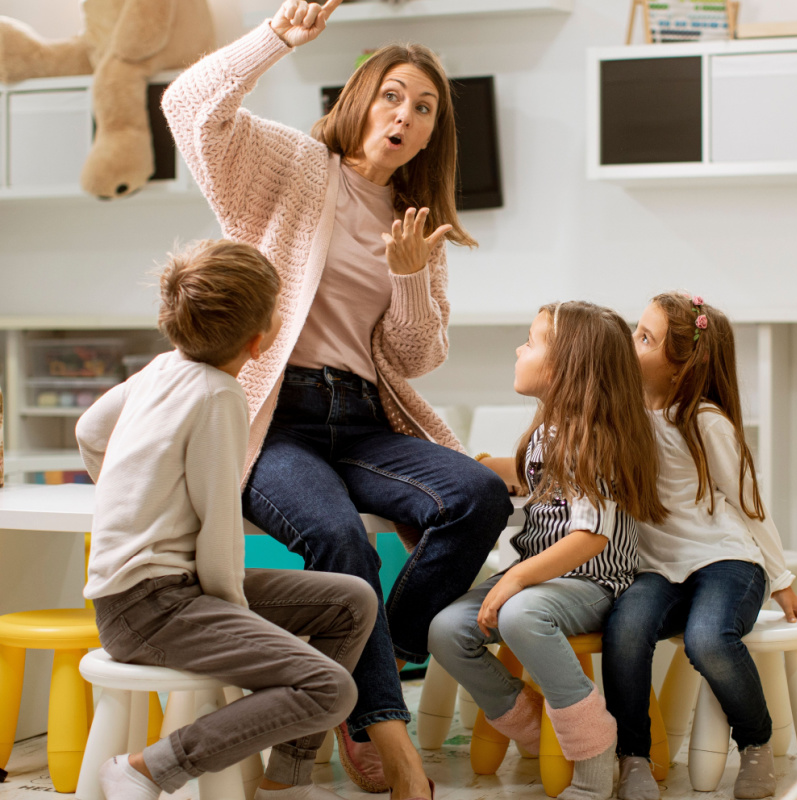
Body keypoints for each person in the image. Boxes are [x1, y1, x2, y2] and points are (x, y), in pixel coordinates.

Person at [161, 2, 513, 796]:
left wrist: (413, 271)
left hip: (360, 418)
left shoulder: (415, 222)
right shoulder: (287, 166)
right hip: (276, 418)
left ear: (432, 135)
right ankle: (382, 733)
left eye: (424, 108)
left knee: (478, 495)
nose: (406, 115)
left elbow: (414, 359)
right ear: (360, 98)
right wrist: (276, 39)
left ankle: (365, 669)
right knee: (342, 547)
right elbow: (187, 105)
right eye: (393, 95)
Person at [78, 240, 377, 800]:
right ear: (260, 339)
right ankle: (147, 768)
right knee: (330, 690)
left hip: (158, 594)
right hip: (155, 608)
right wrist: (236, 621)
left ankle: (284, 781)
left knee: (352, 599)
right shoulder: (220, 395)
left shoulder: (161, 369)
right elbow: (220, 530)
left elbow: (90, 433)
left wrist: (135, 495)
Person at [428, 301, 667, 800]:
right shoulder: (547, 431)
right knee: (446, 630)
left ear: (563, 370)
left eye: (531, 342)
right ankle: (540, 727)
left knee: (520, 615)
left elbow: (590, 536)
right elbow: (524, 475)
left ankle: (595, 758)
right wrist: (462, 464)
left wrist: (515, 579)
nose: (520, 348)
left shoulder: (593, 438)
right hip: (539, 580)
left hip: (592, 581)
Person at [602, 292, 797, 800]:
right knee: (625, 634)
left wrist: (783, 582)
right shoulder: (623, 413)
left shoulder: (705, 421)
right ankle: (632, 757)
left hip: (726, 560)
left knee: (709, 639)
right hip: (657, 567)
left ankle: (756, 744)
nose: (630, 345)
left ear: (680, 367)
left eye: (644, 338)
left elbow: (752, 506)